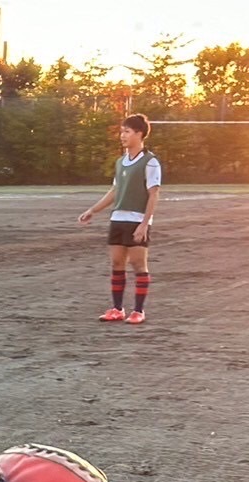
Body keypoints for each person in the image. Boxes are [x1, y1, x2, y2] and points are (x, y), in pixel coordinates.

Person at [77, 114, 160, 324]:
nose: (122, 135)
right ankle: (117, 309)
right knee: (116, 263)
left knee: (139, 265)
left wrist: (144, 224)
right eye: (122, 131)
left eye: (127, 132)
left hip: (137, 220)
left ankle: (138, 311)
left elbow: (153, 194)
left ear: (139, 134)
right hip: (118, 219)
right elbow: (115, 191)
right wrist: (93, 210)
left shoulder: (150, 162)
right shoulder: (120, 162)